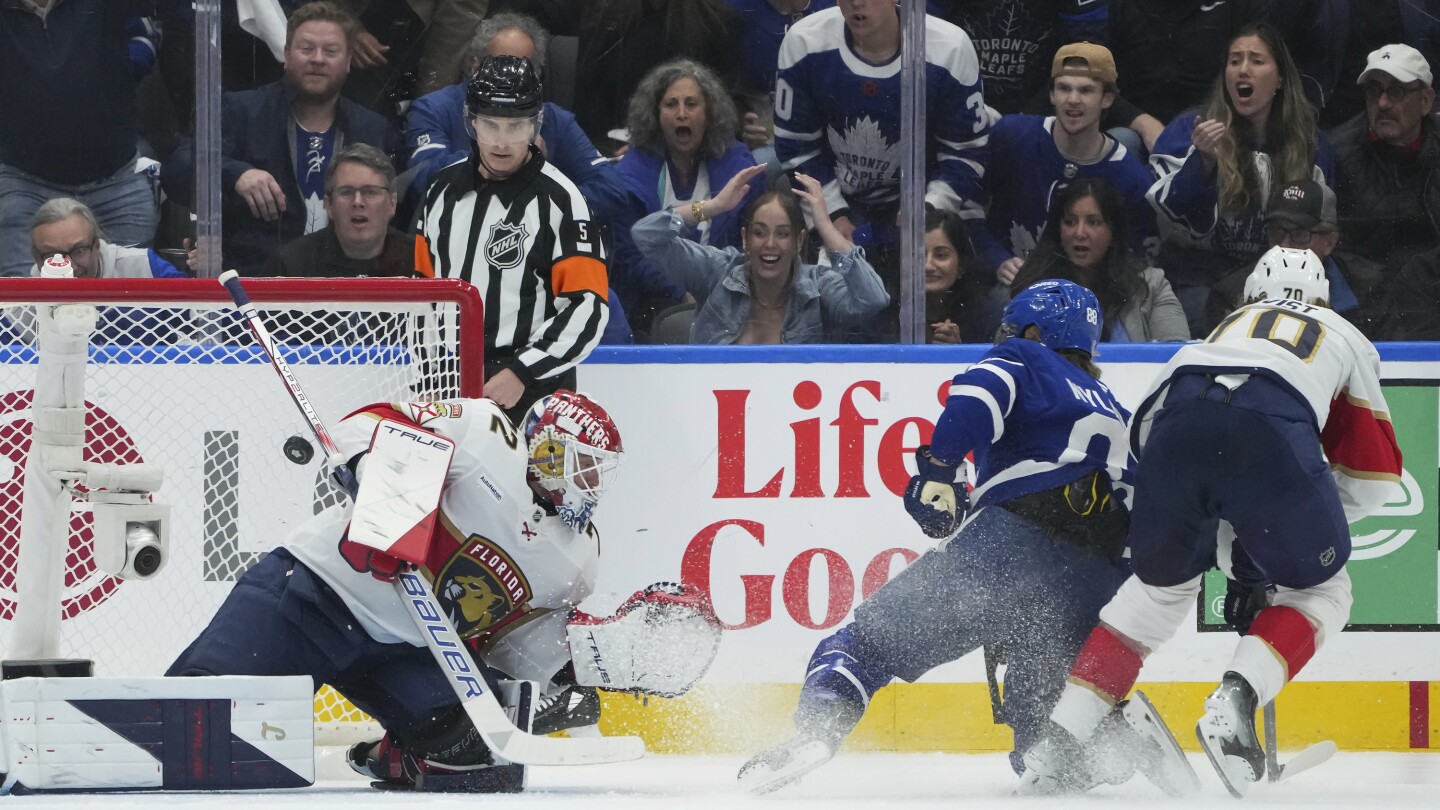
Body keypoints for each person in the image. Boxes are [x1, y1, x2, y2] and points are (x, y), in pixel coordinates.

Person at [738, 280, 1166, 794]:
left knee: (863, 647)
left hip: (1015, 545)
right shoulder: (1117, 411)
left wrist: (939, 467)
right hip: (1099, 579)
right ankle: (1110, 741)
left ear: (1034, 332)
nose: (1003, 338)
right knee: (1041, 749)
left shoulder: (1026, 358)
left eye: (1011, 330)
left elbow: (979, 391)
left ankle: (816, 731)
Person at [1018, 246, 1403, 798]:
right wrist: (1272, 558)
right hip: (1269, 425)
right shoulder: (1342, 333)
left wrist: (1236, 548)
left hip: (1176, 423)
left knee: (1154, 594)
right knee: (1323, 589)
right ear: (1322, 299)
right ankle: (1236, 702)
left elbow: (1151, 437)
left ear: (1249, 297)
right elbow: (1373, 476)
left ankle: (1058, 742)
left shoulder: (1223, 330)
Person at [167, 391, 628, 792]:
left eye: (600, 474)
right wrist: (373, 465)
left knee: (485, 768)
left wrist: (576, 672)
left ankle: (391, 755)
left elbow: (511, 647)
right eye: (583, 467)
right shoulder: (484, 433)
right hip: (312, 595)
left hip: (412, 650)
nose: (591, 485)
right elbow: (368, 421)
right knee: (196, 731)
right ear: (546, 450)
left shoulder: (578, 558)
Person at [414, 55, 609, 424]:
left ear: (536, 125)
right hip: (448, 386)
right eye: (490, 125)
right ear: (471, 121)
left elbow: (588, 308)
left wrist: (524, 371)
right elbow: (425, 295)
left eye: (516, 126)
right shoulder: (441, 190)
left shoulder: (563, 201)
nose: (502, 142)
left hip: (531, 392)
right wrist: (431, 373)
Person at [161, 2, 401, 276]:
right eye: (306, 48)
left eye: (331, 51)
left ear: (348, 62)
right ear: (286, 55)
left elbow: (397, 213)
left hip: (345, 291)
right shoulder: (242, 112)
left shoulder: (373, 129)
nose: (318, 59)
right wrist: (236, 173)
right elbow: (176, 170)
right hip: (254, 290)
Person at [773, 0, 990, 287]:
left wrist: (927, 209)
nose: (856, 4)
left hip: (924, 198)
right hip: (840, 195)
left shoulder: (949, 48)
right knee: (840, 297)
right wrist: (833, 214)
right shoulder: (804, 42)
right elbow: (797, 147)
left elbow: (965, 152)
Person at [1147, 21, 1333, 336]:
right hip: (1198, 279)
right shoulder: (1188, 131)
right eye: (1235, 61)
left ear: (1280, 79)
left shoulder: (1311, 143)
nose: (1242, 70)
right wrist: (1202, 162)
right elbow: (1169, 222)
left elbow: (1322, 228)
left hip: (1280, 281)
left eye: (1256, 61)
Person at [403, 12, 629, 225]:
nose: (510, 76)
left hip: (535, 250)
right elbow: (424, 176)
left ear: (537, 74)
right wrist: (502, 160)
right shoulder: (434, 108)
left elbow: (611, 190)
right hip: (454, 234)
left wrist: (543, 201)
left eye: (522, 67)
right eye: (501, 64)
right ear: (474, 64)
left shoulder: (554, 120)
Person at [630, 165, 888, 344]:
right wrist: (713, 206)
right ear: (745, 238)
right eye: (759, 233)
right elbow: (646, 236)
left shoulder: (819, 286)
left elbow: (873, 298)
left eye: (783, 234)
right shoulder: (717, 270)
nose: (770, 244)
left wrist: (826, 227)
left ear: (799, 241)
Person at [0, 0, 163, 278]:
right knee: (24, 310)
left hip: (118, 182)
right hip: (25, 183)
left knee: (129, 310)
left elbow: (148, 25)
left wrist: (124, 69)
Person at [980, 42, 1159, 284]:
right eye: (1064, 88)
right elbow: (970, 208)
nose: (1072, 100)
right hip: (1009, 285)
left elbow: (1139, 261)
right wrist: (996, 259)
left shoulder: (1132, 179)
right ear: (1052, 94)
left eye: (1085, 90)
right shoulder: (1011, 135)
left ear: (1107, 99)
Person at [610, 59, 765, 337]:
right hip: (655, 302)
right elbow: (629, 257)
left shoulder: (739, 168)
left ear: (709, 113)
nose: (682, 114)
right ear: (656, 114)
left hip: (728, 294)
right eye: (671, 105)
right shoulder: (631, 175)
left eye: (691, 104)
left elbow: (752, 242)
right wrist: (680, 288)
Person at [1011, 179, 1190, 342]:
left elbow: (1176, 356)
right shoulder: (1033, 287)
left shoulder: (1151, 286)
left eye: (1093, 222)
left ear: (1114, 233)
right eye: (1070, 222)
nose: (1079, 233)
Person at [1330, 44, 1440, 301]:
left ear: (1426, 101)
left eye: (1397, 92)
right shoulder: (1337, 153)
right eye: (1374, 91)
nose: (1382, 103)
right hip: (1364, 297)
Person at [1212, 178, 1384, 336]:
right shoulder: (1230, 294)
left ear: (1330, 242)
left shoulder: (1369, 288)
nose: (1284, 245)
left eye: (1300, 235)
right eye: (1277, 233)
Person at [260, 144, 413, 277]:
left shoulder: (421, 258)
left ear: (392, 203)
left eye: (370, 192)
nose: (358, 202)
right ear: (329, 205)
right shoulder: (289, 265)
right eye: (346, 192)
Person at [29, 198, 184, 280]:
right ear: (37, 259)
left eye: (79, 251)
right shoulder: (25, 300)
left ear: (96, 246)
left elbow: (199, 318)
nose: (70, 267)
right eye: (53, 256)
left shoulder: (145, 268)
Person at [923, 208, 998, 344]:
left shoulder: (988, 318)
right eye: (918, 256)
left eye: (941, 255)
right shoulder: (889, 319)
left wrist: (959, 351)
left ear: (961, 265)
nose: (927, 266)